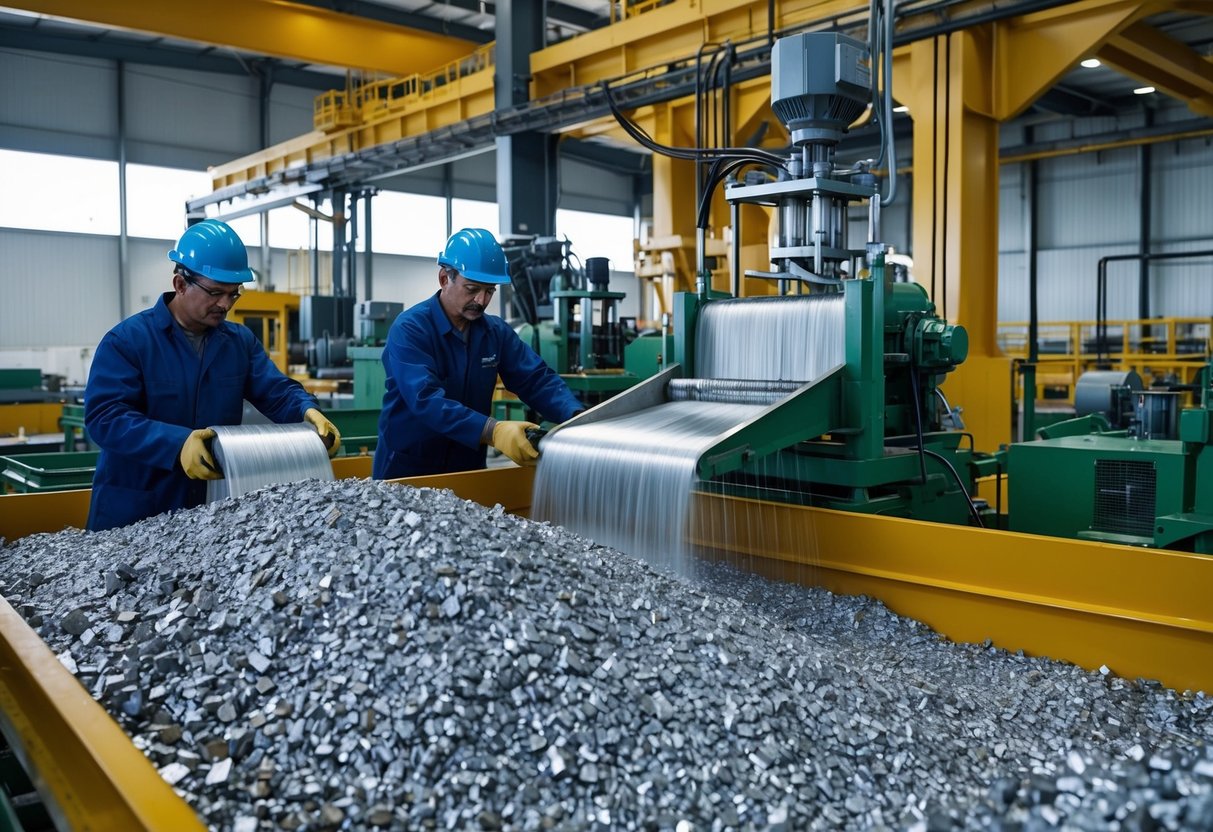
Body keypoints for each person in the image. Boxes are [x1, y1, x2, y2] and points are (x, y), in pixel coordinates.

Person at [84, 219, 342, 531]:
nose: (225, 304)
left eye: (234, 294)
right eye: (216, 292)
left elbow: (275, 390)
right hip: (137, 510)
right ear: (180, 284)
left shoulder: (239, 342)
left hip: (210, 509)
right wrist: (177, 444)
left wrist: (307, 410)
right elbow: (105, 418)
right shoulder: (128, 342)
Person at [373, 227, 583, 479]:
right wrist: (493, 431)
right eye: (472, 289)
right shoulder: (410, 329)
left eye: (490, 291)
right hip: (410, 469)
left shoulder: (495, 332)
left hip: (467, 467)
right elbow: (426, 400)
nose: (481, 300)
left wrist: (576, 417)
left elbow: (535, 380)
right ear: (444, 279)